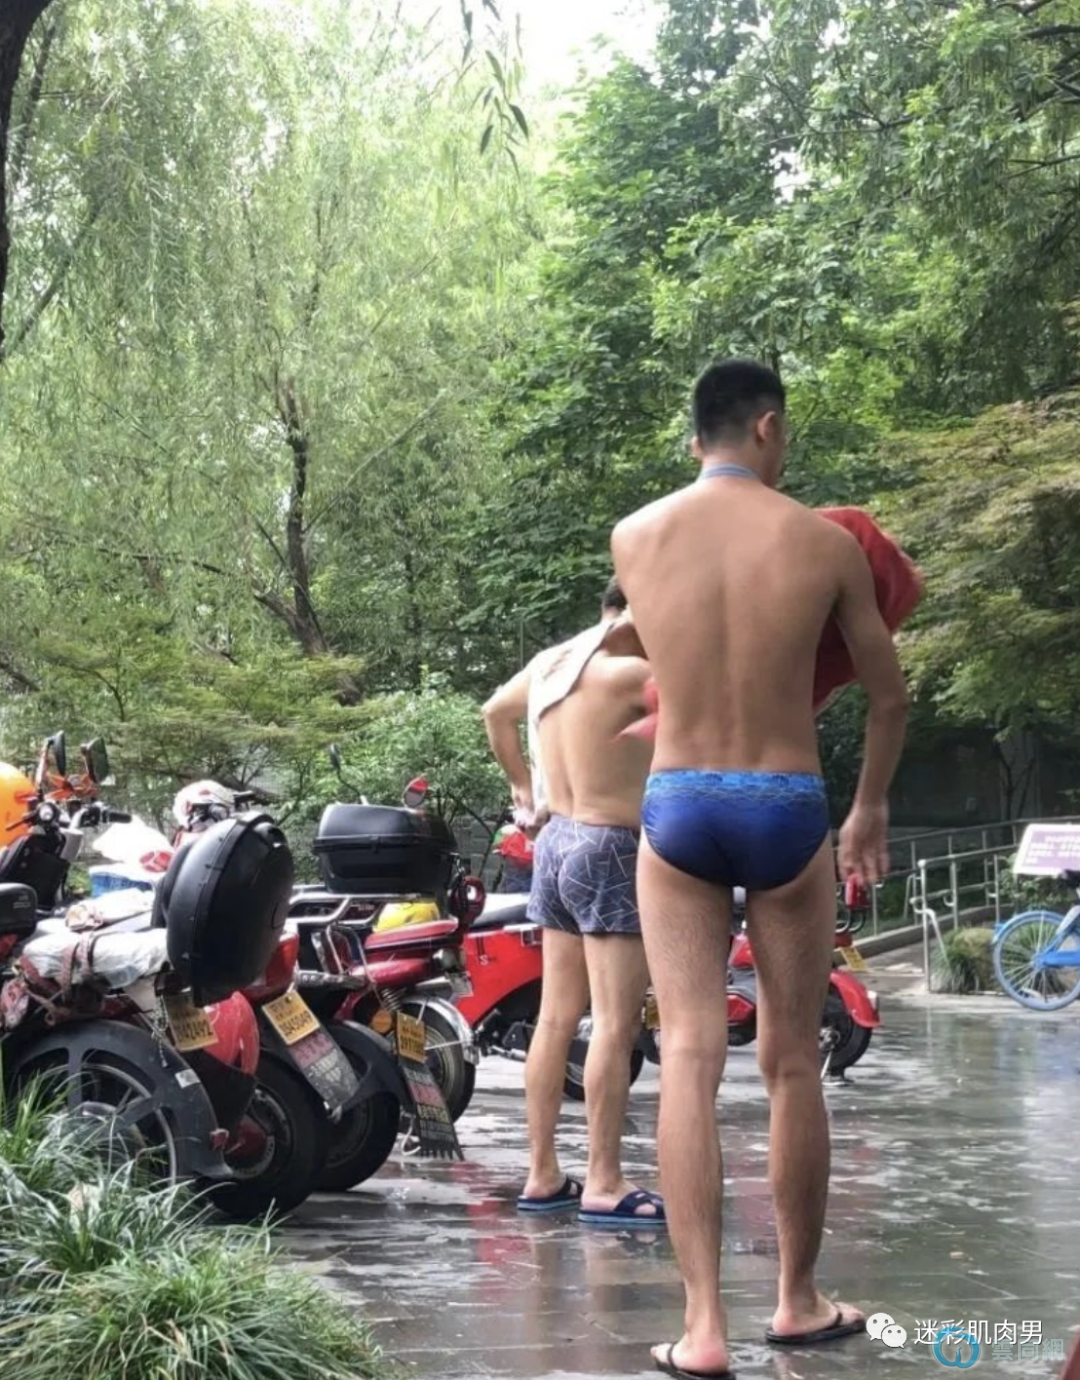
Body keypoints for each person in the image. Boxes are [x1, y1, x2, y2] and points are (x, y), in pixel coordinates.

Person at [612, 359, 910, 1380]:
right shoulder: (825, 542)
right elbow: (889, 695)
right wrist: (868, 809)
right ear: (768, 428)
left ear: (696, 437)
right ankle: (797, 1299)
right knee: (789, 1062)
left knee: (691, 1053)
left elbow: (643, 647)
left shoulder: (635, 536)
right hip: (785, 800)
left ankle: (702, 1329)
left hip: (680, 798)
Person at [482, 580, 663, 1226]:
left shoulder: (551, 665)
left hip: (555, 842)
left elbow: (494, 712)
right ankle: (605, 1182)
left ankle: (543, 1174)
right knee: (614, 1021)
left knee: (556, 1018)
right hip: (610, 843)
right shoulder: (634, 674)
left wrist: (523, 788)